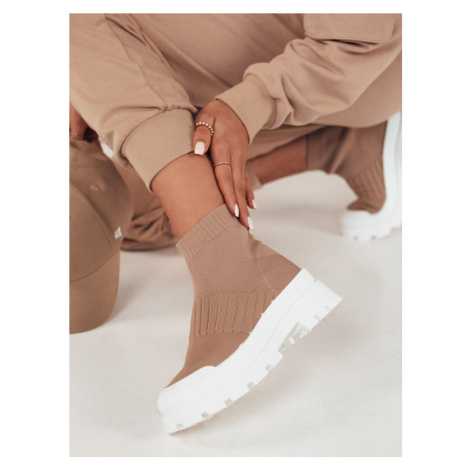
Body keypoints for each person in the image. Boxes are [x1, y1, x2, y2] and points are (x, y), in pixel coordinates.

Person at [69, 13, 402, 433]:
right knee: (135, 207)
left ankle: (230, 267)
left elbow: (360, 34)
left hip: (364, 57)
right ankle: (340, 145)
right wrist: (90, 80)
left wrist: (251, 103)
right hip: (309, 70)